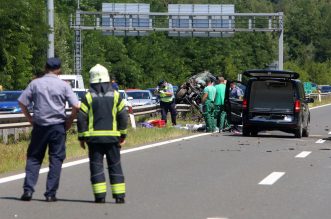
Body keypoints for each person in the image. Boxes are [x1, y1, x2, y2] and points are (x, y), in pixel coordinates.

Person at [18, 57, 80, 202]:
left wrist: (30, 119)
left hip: (40, 126)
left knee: (34, 157)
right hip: (58, 126)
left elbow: (21, 102)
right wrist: (69, 121)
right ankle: (50, 193)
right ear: (59, 69)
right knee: (56, 158)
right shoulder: (63, 85)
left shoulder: (35, 84)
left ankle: (28, 191)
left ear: (45, 68)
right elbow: (76, 106)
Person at [77, 64, 128, 204]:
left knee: (96, 166)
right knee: (115, 165)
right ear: (107, 78)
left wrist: (82, 137)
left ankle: (99, 197)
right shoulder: (116, 96)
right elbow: (123, 116)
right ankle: (119, 196)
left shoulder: (88, 97)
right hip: (113, 138)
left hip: (94, 139)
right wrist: (122, 135)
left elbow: (81, 118)